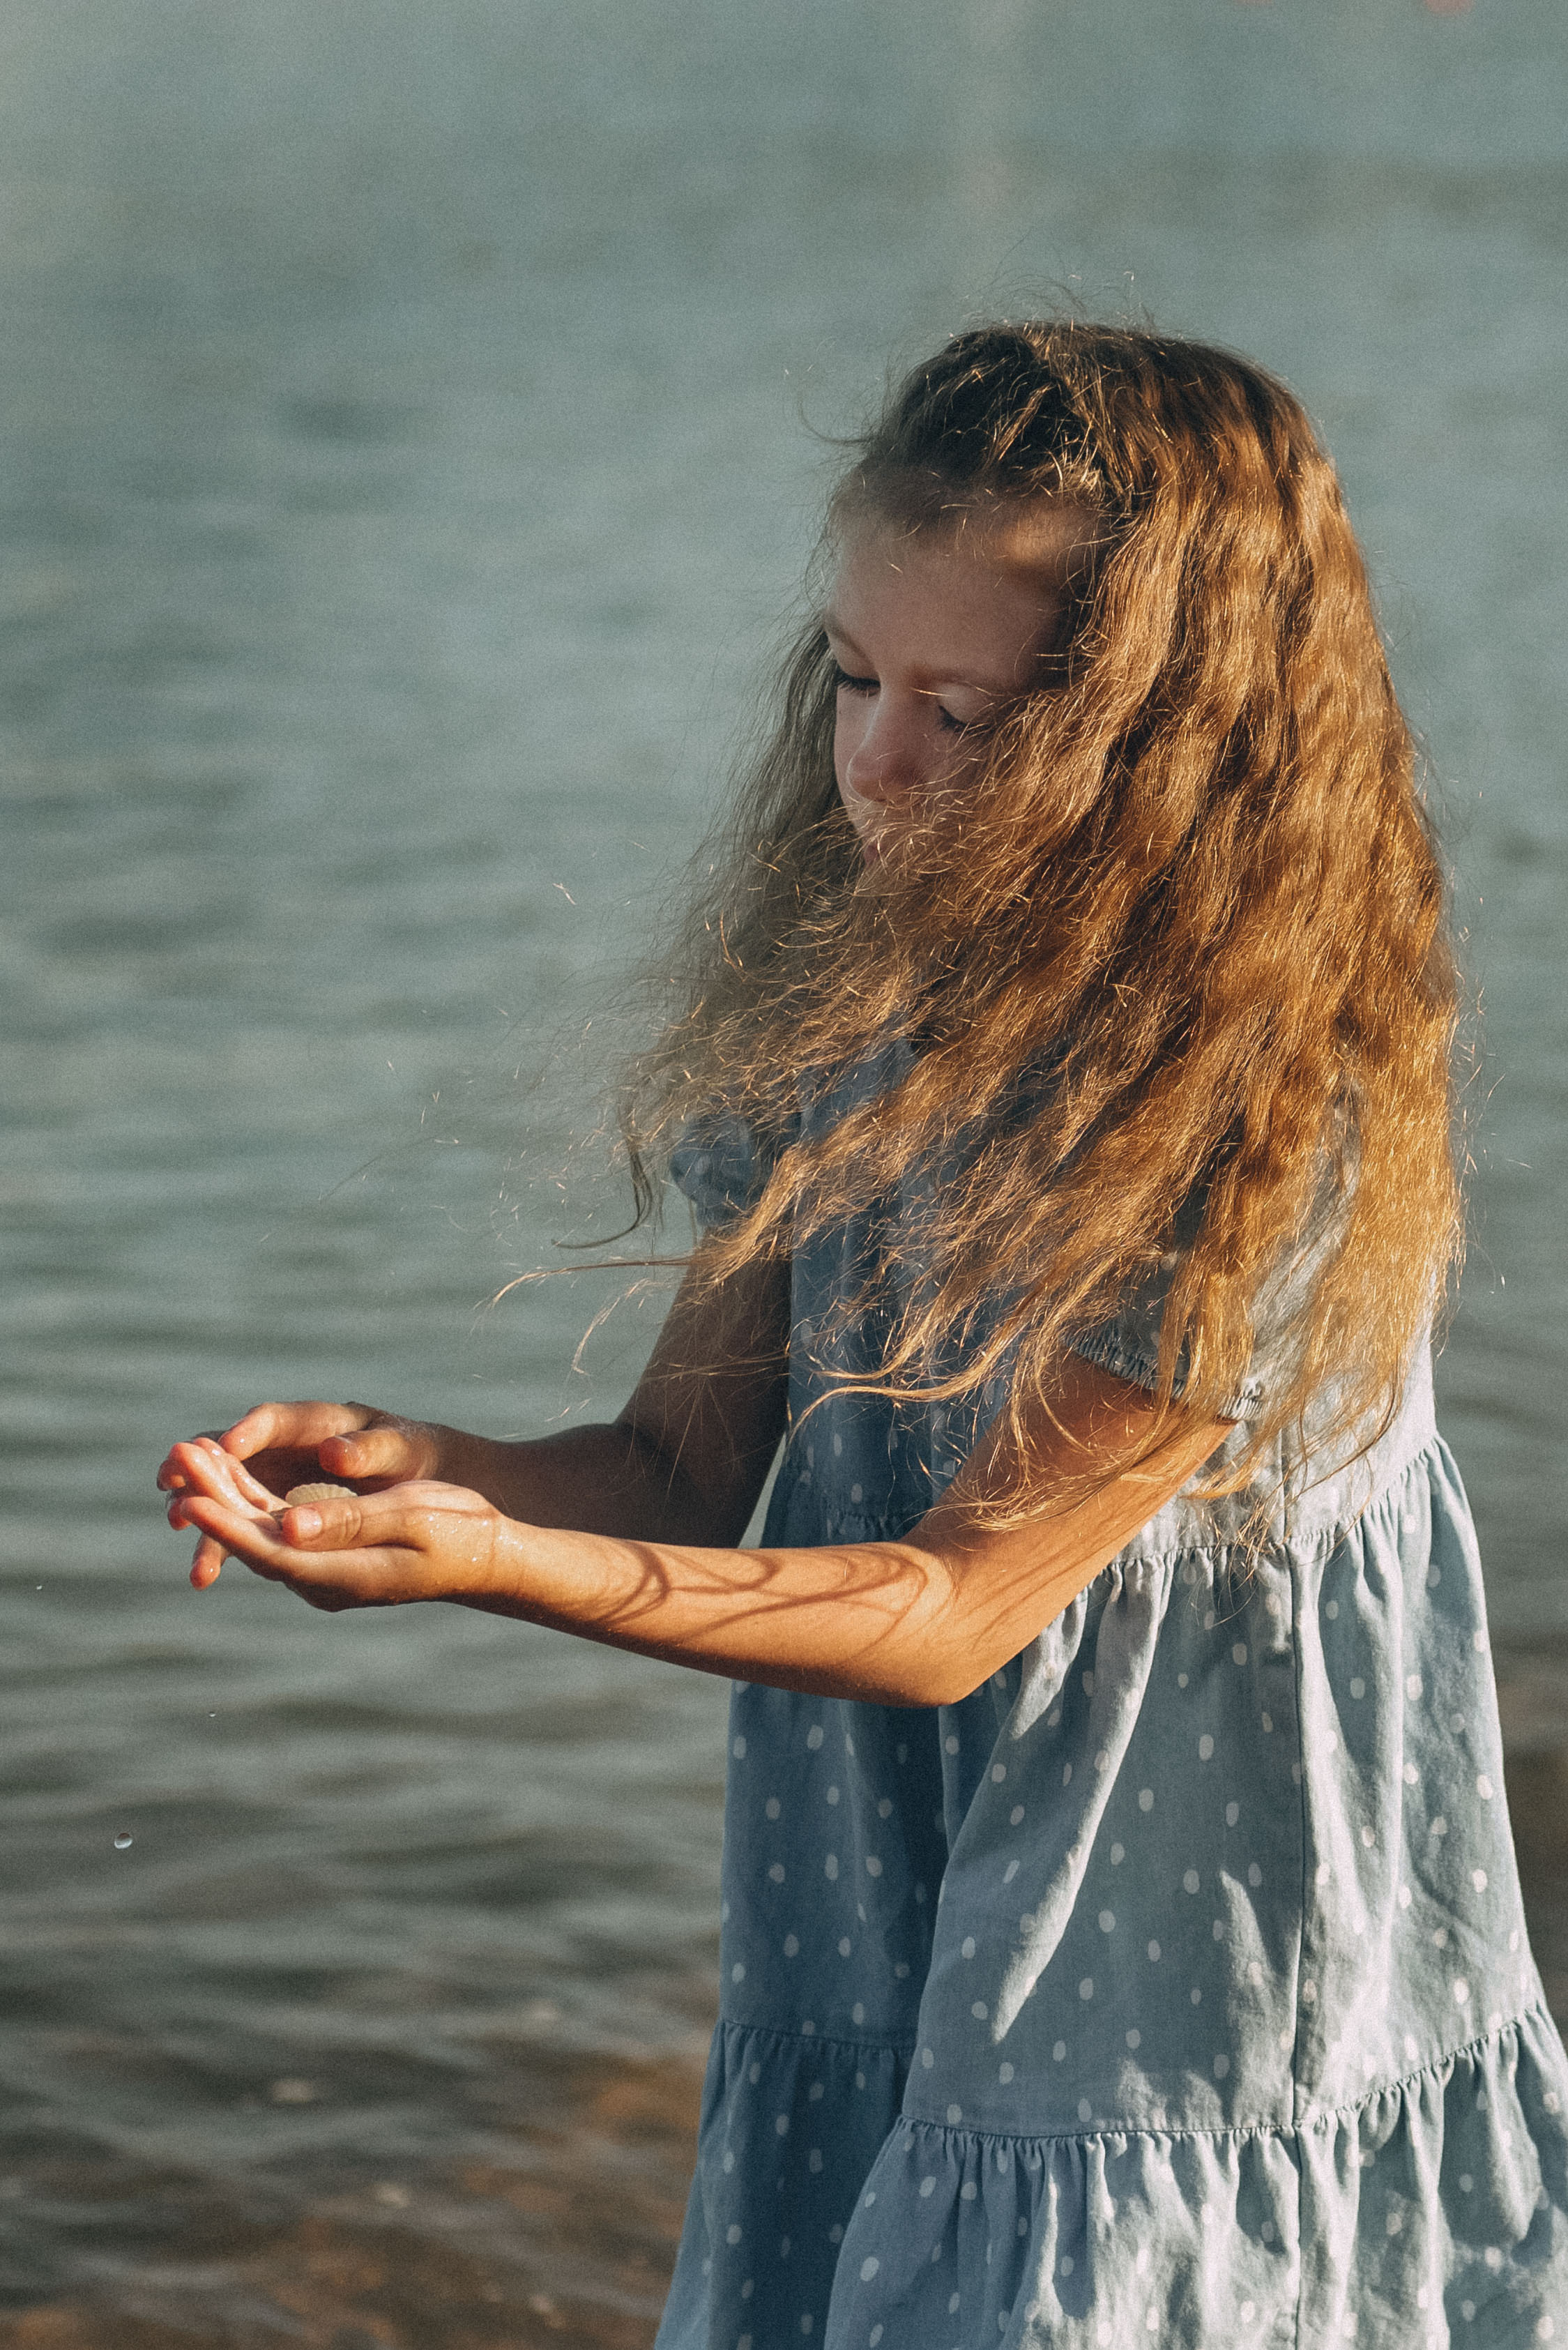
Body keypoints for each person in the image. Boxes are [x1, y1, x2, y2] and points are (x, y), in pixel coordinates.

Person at [159, 321, 1568, 2347]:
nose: (874, 759)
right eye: (849, 677)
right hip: (880, 1916)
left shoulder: (1255, 1122)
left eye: (958, 709)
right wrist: (429, 1477)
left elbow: (949, 1607)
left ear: (1160, 751)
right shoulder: (854, 1029)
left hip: (1167, 1965)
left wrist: (503, 1568)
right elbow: (674, 1470)